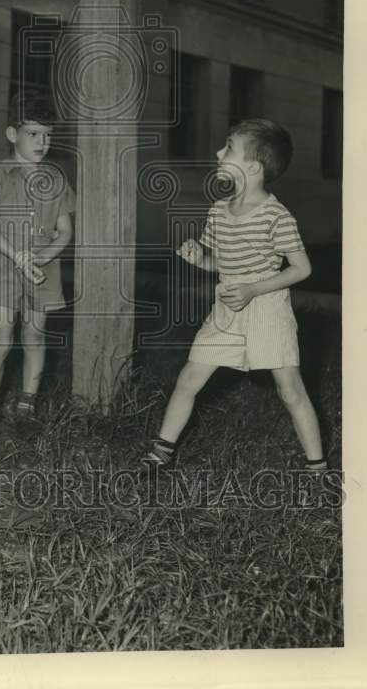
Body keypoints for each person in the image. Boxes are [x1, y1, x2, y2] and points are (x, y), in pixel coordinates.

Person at [144, 118, 327, 473]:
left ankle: (318, 469)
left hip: (267, 310)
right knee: (188, 379)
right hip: (227, 309)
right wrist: (201, 258)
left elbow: (301, 269)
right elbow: (220, 263)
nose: (218, 152)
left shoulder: (276, 216)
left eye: (228, 147)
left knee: (290, 390)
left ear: (253, 167)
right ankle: (160, 453)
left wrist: (253, 288)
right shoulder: (218, 210)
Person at [0, 92, 75, 439]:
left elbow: (65, 231)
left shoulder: (57, 179)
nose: (42, 142)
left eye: (47, 135)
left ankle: (27, 407)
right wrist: (18, 256)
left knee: (35, 336)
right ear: (12, 134)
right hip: (3, 268)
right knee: (1, 337)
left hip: (42, 271)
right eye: (33, 133)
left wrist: (45, 255)